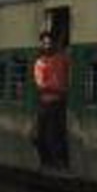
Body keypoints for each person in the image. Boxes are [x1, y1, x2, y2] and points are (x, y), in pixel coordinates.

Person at [33, 30, 70, 169]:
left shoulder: (62, 59)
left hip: (59, 103)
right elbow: (40, 85)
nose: (47, 45)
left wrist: (56, 88)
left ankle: (58, 162)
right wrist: (59, 88)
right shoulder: (39, 63)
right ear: (41, 45)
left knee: (57, 134)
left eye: (49, 43)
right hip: (46, 103)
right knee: (40, 136)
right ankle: (47, 162)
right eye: (44, 43)